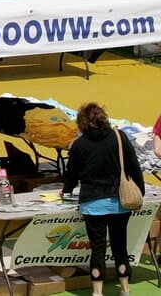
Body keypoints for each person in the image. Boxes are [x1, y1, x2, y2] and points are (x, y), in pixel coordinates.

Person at [63, 102, 145, 296]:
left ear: (82, 122)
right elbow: (134, 166)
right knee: (120, 247)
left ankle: (97, 292)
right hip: (119, 202)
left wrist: (67, 190)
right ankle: (125, 288)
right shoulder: (119, 137)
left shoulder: (79, 144)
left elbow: (71, 174)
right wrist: (140, 193)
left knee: (97, 249)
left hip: (93, 204)